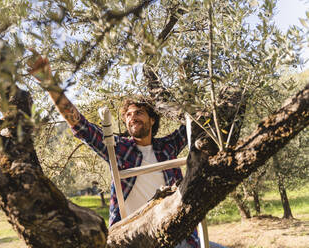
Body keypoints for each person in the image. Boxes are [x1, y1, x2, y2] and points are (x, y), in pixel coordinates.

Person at [28, 52, 226, 248]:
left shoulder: (168, 146)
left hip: (176, 236)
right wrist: (50, 85)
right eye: (129, 115)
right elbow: (81, 126)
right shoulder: (120, 150)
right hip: (135, 239)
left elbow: (194, 123)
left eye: (139, 112)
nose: (133, 117)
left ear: (152, 119)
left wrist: (187, 85)